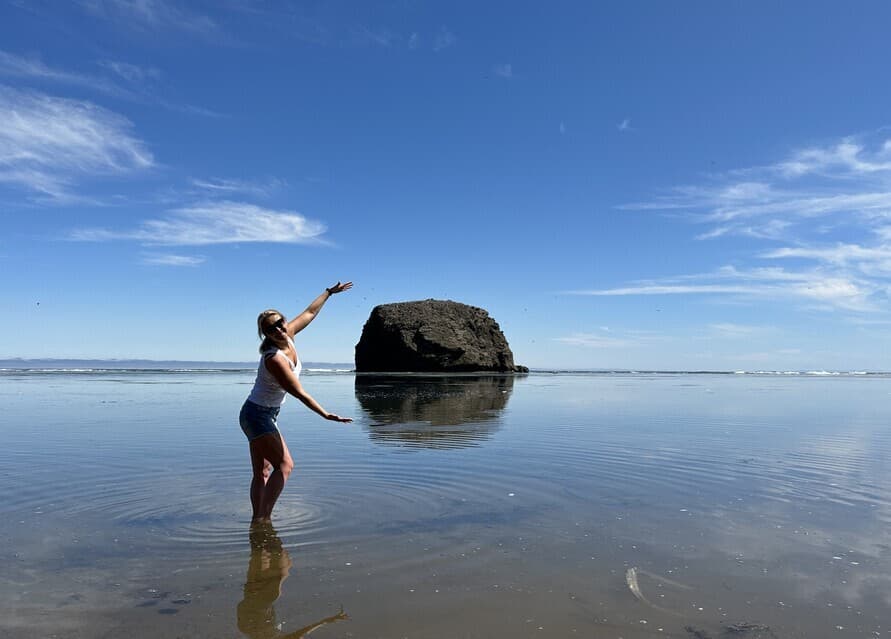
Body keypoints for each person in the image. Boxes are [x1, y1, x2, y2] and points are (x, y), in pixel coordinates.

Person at [240, 282, 353, 523]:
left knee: (263, 471)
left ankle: (257, 519)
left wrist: (329, 293)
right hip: (257, 415)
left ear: (284, 321)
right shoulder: (274, 359)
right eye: (271, 328)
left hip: (261, 413)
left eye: (280, 322)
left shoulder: (288, 335)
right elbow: (299, 392)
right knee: (285, 465)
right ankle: (263, 520)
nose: (279, 329)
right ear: (266, 334)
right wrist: (325, 414)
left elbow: (310, 313)